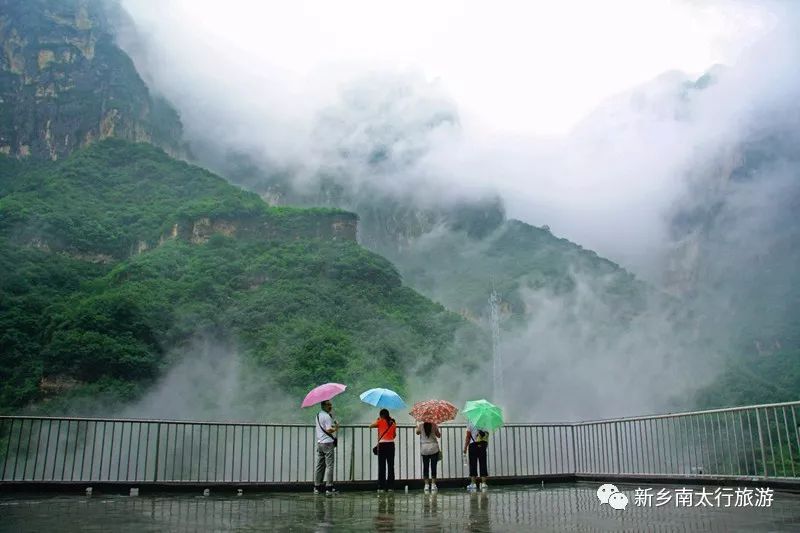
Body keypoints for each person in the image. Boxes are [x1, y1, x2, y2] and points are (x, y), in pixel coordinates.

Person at [314, 399, 339, 496]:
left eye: (331, 405)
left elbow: (324, 427)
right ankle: (329, 487)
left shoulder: (318, 415)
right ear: (323, 406)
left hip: (320, 443)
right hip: (328, 443)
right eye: (328, 405)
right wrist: (336, 427)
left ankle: (317, 486)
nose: (330, 406)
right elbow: (328, 429)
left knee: (320, 465)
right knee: (330, 465)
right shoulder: (327, 416)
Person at [369, 408, 396, 492]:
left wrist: (378, 420)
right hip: (391, 445)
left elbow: (370, 426)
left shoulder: (380, 421)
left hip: (382, 445)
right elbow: (394, 435)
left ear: (381, 415)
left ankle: (381, 487)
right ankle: (391, 486)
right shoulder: (393, 422)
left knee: (382, 466)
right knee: (391, 466)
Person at [463, 422, 489, 492]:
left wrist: (465, 447)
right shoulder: (484, 423)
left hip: (473, 445)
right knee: (483, 463)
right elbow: (486, 435)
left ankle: (473, 484)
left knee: (473, 463)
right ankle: (483, 484)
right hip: (482, 446)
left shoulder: (470, 423)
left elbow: (468, 437)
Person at [416, 421, 441, 492]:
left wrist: (417, 426)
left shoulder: (421, 425)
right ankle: (433, 485)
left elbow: (417, 433)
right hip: (434, 448)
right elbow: (438, 435)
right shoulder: (434, 424)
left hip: (424, 449)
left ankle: (426, 485)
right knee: (433, 466)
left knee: (425, 466)